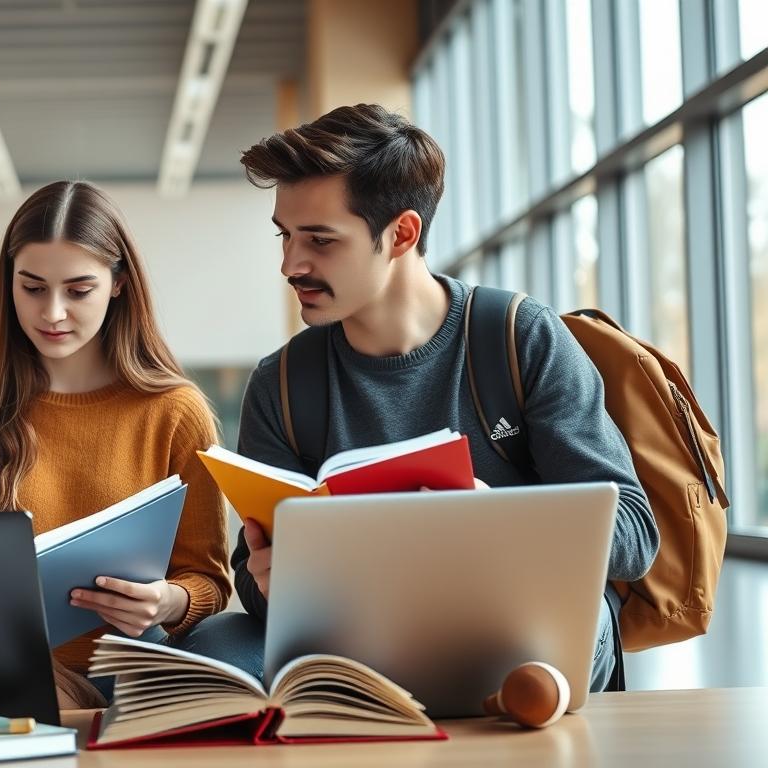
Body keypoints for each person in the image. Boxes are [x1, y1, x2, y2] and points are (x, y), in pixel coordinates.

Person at [225, 104, 658, 692]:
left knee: (554, 639)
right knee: (220, 652)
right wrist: (272, 582)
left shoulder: (518, 337)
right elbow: (249, 579)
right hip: (358, 637)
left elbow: (634, 535)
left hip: (522, 629)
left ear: (401, 233)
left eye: (320, 240)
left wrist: (497, 523)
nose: (290, 264)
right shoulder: (281, 383)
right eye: (286, 236)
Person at [0, 180, 231, 707]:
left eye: (78, 291)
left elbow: (208, 581)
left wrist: (165, 601)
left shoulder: (174, 411)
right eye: (32, 288)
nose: (52, 313)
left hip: (131, 668)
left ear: (119, 284)